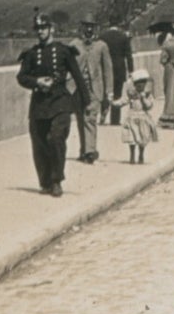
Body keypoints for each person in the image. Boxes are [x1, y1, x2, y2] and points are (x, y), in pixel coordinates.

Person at [17, 13, 92, 196]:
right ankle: (45, 182)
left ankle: (57, 180)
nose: (41, 32)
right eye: (38, 29)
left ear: (51, 29)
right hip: (39, 104)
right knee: (40, 143)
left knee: (56, 138)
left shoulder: (63, 51)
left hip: (60, 101)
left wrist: (87, 101)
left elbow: (77, 76)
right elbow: (21, 77)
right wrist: (37, 82)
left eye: (44, 28)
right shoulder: (32, 54)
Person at [73, 16, 114, 162]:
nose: (89, 29)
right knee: (80, 119)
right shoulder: (75, 45)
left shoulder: (101, 46)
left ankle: (90, 151)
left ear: (96, 28)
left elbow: (108, 70)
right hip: (78, 89)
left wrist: (109, 91)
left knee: (90, 118)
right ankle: (83, 149)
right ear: (82, 27)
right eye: (86, 26)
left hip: (94, 89)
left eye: (92, 26)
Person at [121, 69, 159, 162]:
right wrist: (114, 103)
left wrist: (143, 98)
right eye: (138, 84)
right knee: (132, 137)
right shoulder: (132, 95)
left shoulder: (147, 95)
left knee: (143, 138)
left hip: (143, 118)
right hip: (132, 117)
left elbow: (149, 106)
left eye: (142, 83)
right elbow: (124, 101)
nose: (140, 86)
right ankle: (132, 155)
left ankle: (141, 154)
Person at [100, 23, 135, 125]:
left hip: (106, 69)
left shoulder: (103, 36)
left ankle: (103, 113)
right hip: (120, 69)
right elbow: (129, 55)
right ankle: (115, 120)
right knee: (117, 94)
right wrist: (131, 70)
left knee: (105, 92)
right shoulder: (123, 36)